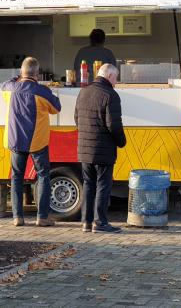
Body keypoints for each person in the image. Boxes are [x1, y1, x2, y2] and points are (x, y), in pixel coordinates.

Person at [2, 57, 61, 227]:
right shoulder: (41, 91)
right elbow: (57, 108)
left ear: (21, 72)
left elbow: (5, 83)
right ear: (37, 74)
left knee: (16, 177)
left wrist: (17, 77)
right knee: (43, 176)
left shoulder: (10, 89)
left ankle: (17, 217)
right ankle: (42, 217)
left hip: (15, 139)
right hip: (37, 141)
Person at [74, 63, 126, 233]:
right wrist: (121, 141)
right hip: (103, 149)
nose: (116, 82)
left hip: (84, 149)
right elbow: (114, 125)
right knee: (103, 184)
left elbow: (77, 119)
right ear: (109, 76)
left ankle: (86, 223)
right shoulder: (110, 95)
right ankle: (100, 222)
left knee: (88, 184)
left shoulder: (83, 92)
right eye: (116, 78)